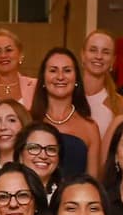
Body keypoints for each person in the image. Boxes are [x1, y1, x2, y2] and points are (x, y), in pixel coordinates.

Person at [33, 46, 103, 179]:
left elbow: (93, 183)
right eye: (53, 70)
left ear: (76, 79)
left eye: (67, 71)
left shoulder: (90, 127)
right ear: (43, 78)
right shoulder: (28, 119)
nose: (60, 77)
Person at [78, 29, 123, 142]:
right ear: (83, 55)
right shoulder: (67, 95)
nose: (99, 56)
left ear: (113, 60)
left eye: (106, 52)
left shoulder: (120, 104)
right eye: (93, 50)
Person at [16, 122, 69, 205]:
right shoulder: (6, 190)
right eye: (34, 148)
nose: (43, 156)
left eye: (51, 149)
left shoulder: (67, 195)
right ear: (20, 155)